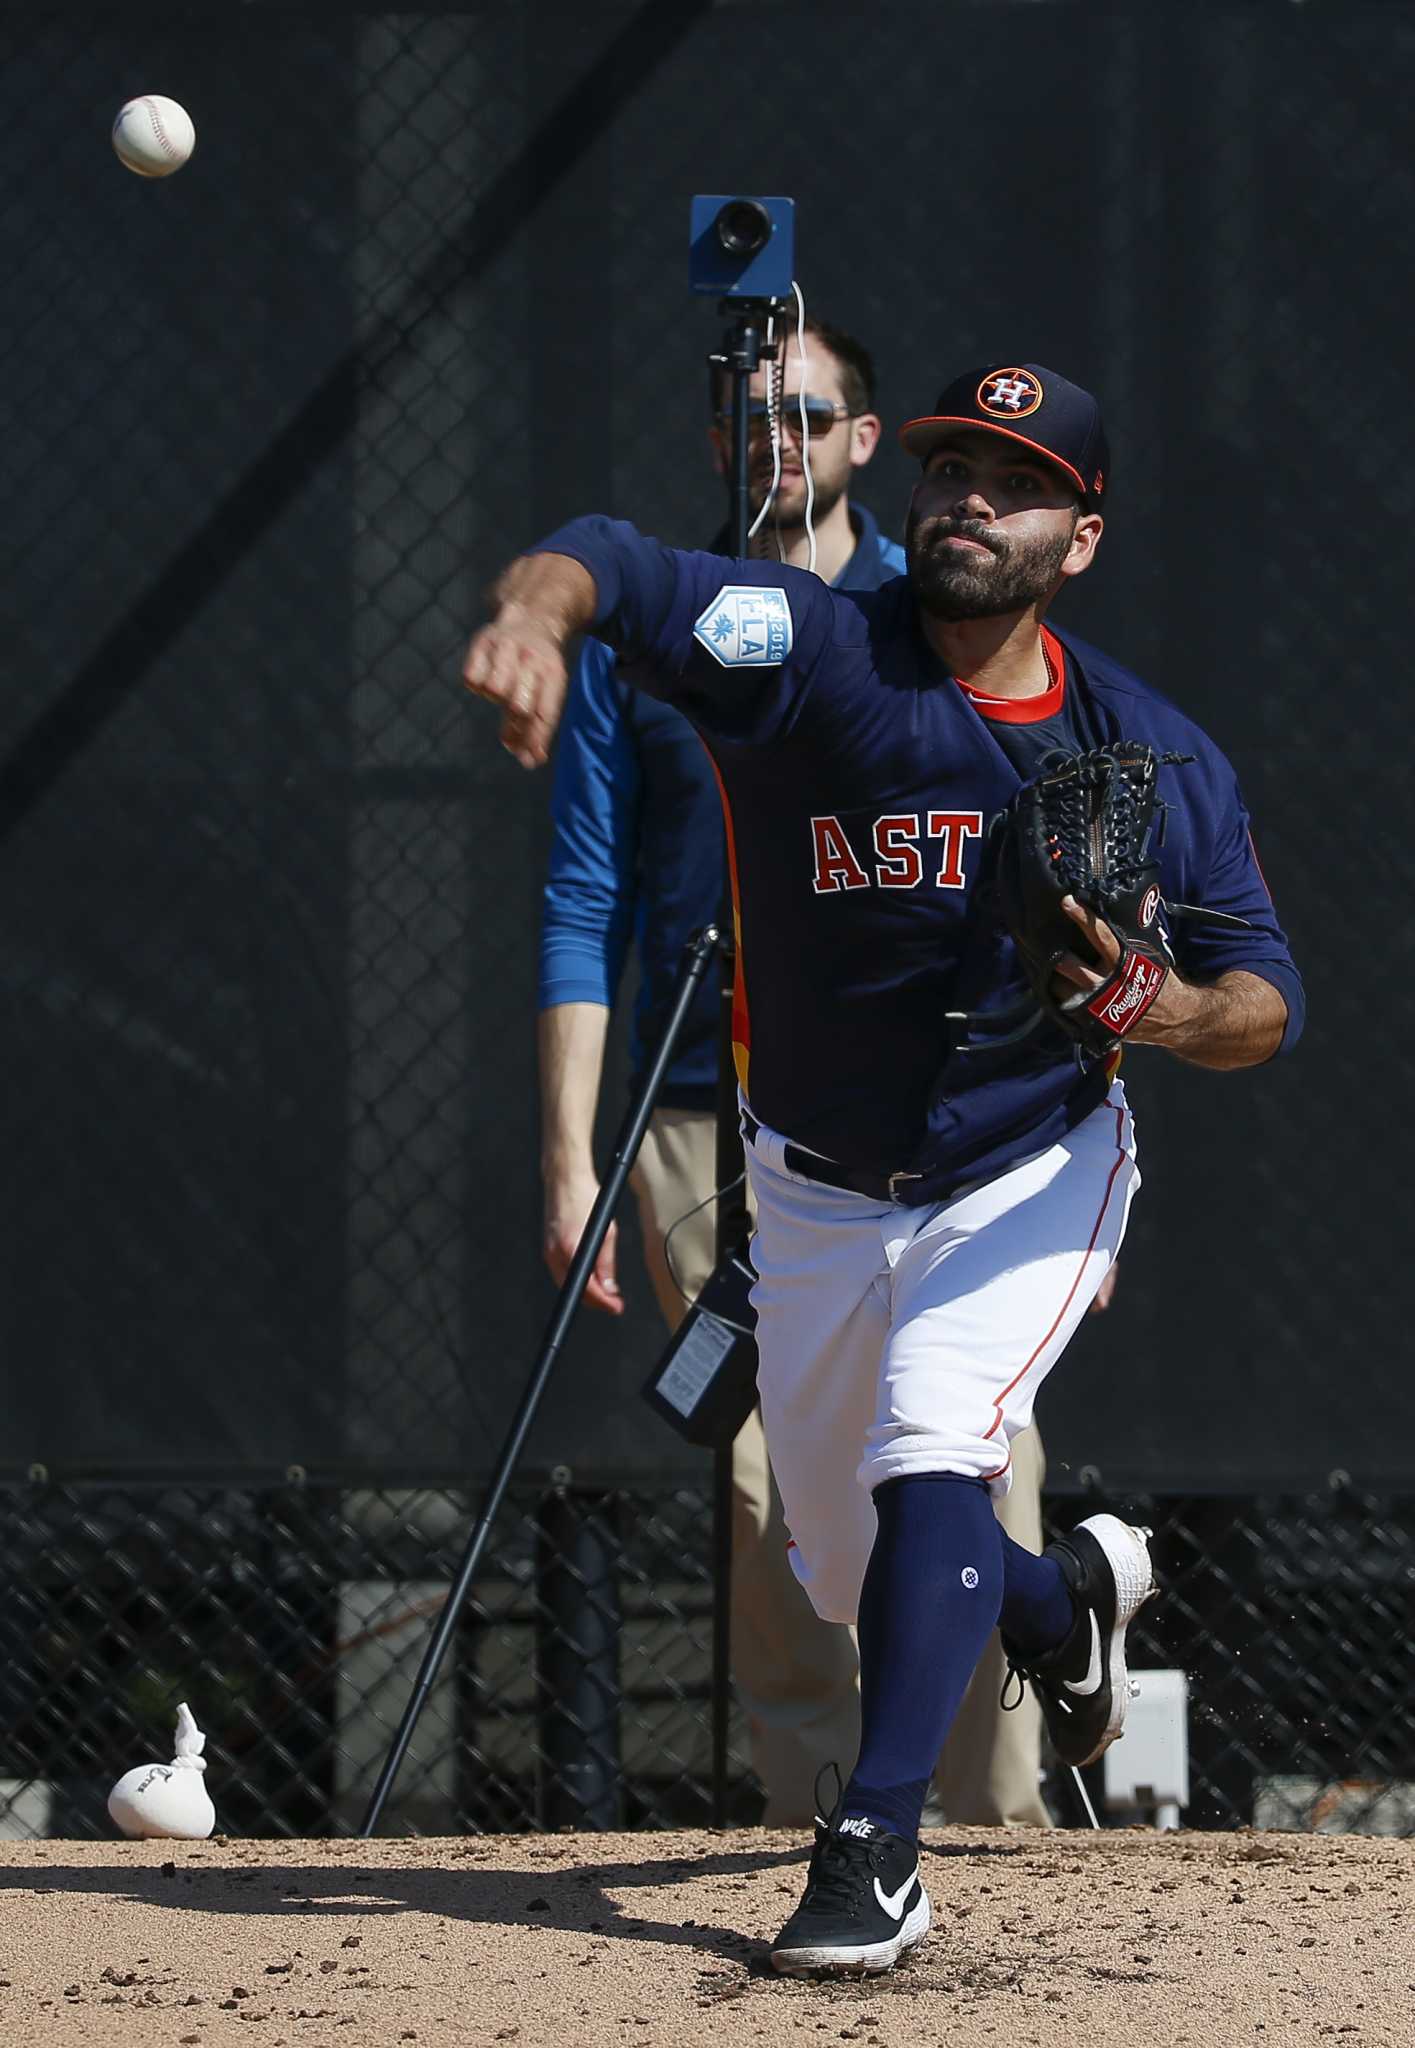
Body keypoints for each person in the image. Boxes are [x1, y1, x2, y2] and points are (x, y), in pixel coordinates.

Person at [465, 360, 1303, 1975]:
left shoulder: (1151, 748)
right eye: (947, 471)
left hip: (1030, 1158)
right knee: (846, 1565)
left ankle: (876, 1853)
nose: (965, 500)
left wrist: (1163, 1002)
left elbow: (1267, 999)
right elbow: (610, 560)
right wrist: (536, 616)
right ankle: (1064, 1608)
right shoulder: (814, 652)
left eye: (1014, 480)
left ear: (1084, 538)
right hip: (818, 1184)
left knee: (941, 1440)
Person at [538, 317, 1050, 1829]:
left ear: (865, 439)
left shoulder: (939, 609)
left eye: (808, 416)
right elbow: (584, 899)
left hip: (941, 1111)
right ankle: (818, 1825)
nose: (778, 442)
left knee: (967, 1456)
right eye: (747, 417)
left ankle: (993, 1820)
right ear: (712, 441)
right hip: (712, 1117)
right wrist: (572, 1153)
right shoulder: (652, 632)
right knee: (776, 1495)